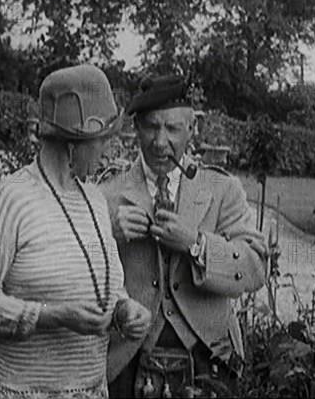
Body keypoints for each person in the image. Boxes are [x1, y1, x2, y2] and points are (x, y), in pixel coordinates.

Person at [0, 64, 152, 399]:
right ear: (73, 143)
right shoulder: (13, 198)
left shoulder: (94, 199)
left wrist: (124, 309)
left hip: (88, 389)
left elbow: (107, 285)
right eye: (103, 140)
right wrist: (52, 317)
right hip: (18, 390)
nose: (110, 151)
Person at [101, 74, 268, 398]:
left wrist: (197, 244)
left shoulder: (222, 190)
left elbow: (256, 268)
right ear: (135, 128)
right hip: (126, 361)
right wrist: (108, 233)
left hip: (210, 358)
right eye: (150, 126)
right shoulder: (107, 194)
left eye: (173, 128)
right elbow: (75, 267)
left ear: (193, 130)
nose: (160, 142)